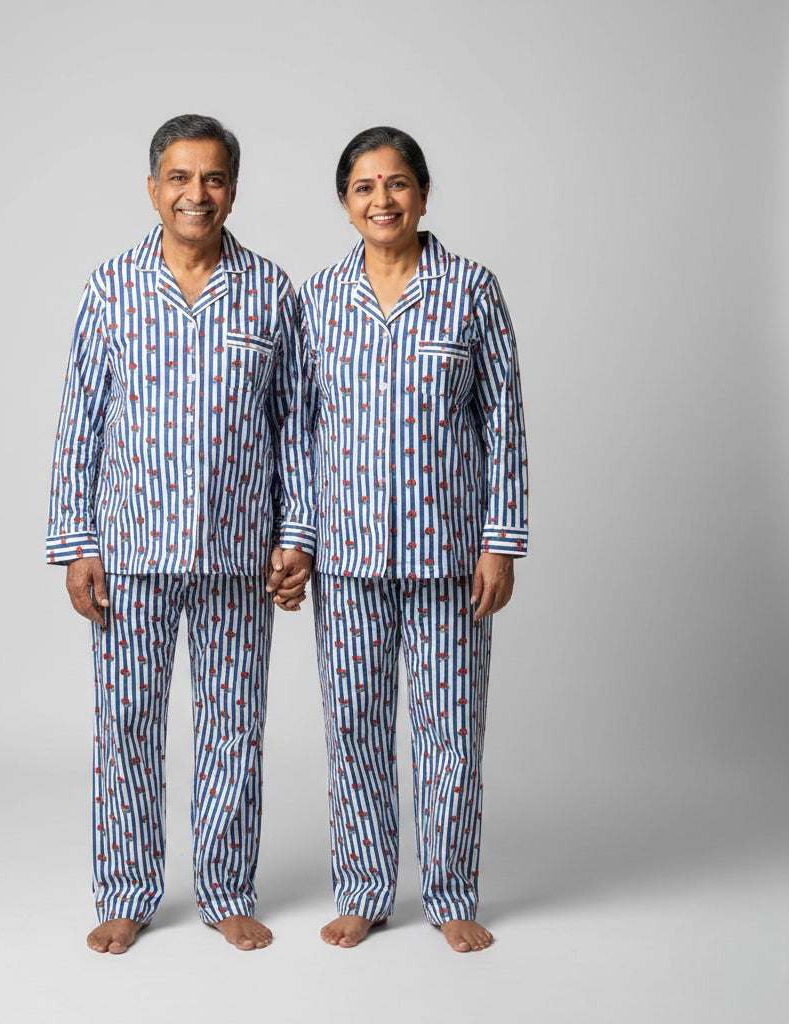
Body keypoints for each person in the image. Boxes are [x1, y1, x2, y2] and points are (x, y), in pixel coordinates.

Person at [46, 114, 313, 954]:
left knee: (235, 726)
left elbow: (295, 428)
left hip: (241, 553)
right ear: (154, 186)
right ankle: (127, 889)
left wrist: (296, 533)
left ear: (233, 187)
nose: (197, 194)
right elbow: (78, 425)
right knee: (126, 725)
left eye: (214, 178)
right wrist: (75, 545)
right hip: (128, 554)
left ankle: (227, 888)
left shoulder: (272, 291)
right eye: (180, 177)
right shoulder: (111, 287)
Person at [293, 126, 529, 952]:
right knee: (354, 725)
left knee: (451, 729)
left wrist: (501, 541)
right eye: (364, 186)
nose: (381, 200)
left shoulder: (470, 290)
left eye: (397, 184)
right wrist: (300, 539)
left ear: (424, 194)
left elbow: (504, 423)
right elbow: (298, 431)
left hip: (451, 556)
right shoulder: (316, 300)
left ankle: (451, 890)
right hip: (349, 558)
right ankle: (363, 886)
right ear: (345, 202)